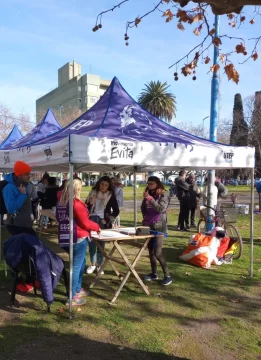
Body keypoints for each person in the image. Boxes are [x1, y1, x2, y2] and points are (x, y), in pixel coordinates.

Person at [57, 178, 101, 306]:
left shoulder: (61, 201)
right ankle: (72, 297)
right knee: (76, 268)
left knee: (81, 265)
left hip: (65, 237)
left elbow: (62, 218)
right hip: (78, 238)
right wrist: (97, 227)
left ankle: (77, 289)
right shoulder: (75, 202)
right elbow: (85, 222)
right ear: (78, 189)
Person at [141, 176, 172, 286]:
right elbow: (143, 207)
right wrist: (145, 217)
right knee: (150, 251)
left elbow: (160, 209)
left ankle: (167, 275)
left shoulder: (163, 194)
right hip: (148, 225)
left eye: (152, 184)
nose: (149, 186)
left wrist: (149, 198)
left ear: (157, 184)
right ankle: (154, 273)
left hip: (160, 227)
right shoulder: (148, 193)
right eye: (148, 183)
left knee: (157, 252)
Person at [85, 176, 119, 274]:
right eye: (102, 184)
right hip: (92, 219)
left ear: (108, 186)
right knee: (92, 243)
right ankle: (93, 264)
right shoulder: (93, 192)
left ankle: (100, 264)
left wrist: (107, 220)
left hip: (102, 221)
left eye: (106, 185)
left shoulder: (110, 195)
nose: (103, 186)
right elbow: (85, 208)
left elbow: (116, 211)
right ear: (99, 183)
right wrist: (91, 203)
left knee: (101, 244)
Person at [3, 161, 36, 235]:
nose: (29, 176)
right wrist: (22, 195)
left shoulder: (22, 185)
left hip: (24, 224)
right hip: (17, 225)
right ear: (19, 175)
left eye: (29, 173)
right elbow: (11, 208)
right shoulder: (9, 188)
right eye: (26, 174)